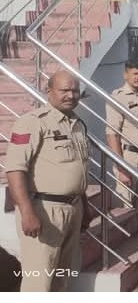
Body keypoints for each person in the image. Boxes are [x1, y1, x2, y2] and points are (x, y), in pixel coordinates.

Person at [5, 71, 91, 291]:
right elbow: (15, 169)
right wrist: (27, 212)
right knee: (39, 281)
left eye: (75, 91)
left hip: (73, 209)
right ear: (49, 91)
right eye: (64, 90)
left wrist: (85, 207)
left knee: (62, 279)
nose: (71, 95)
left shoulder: (77, 124)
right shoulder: (32, 122)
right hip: (44, 211)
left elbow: (79, 169)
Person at [105, 59, 138, 207]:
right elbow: (112, 134)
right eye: (135, 74)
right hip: (129, 156)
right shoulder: (118, 97)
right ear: (125, 75)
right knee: (126, 203)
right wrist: (121, 167)